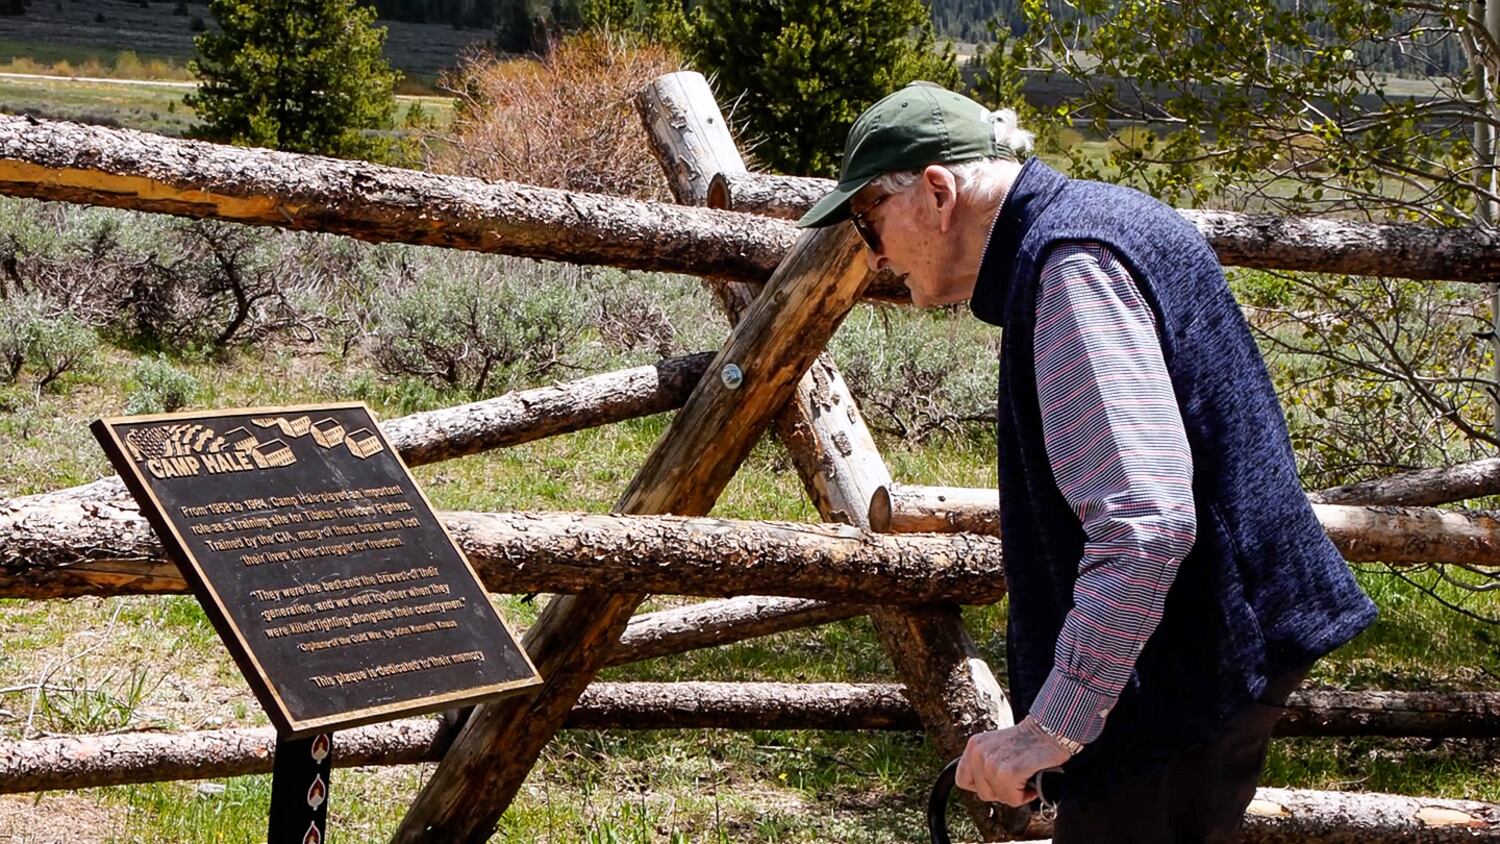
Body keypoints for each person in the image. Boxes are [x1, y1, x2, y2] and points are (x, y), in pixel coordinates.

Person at [797, 82, 1378, 842]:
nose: (871, 252)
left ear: (936, 191)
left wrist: (1051, 730)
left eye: (868, 217)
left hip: (1184, 678)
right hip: (1193, 661)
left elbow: (1145, 527)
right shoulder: (1095, 226)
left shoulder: (1070, 267)